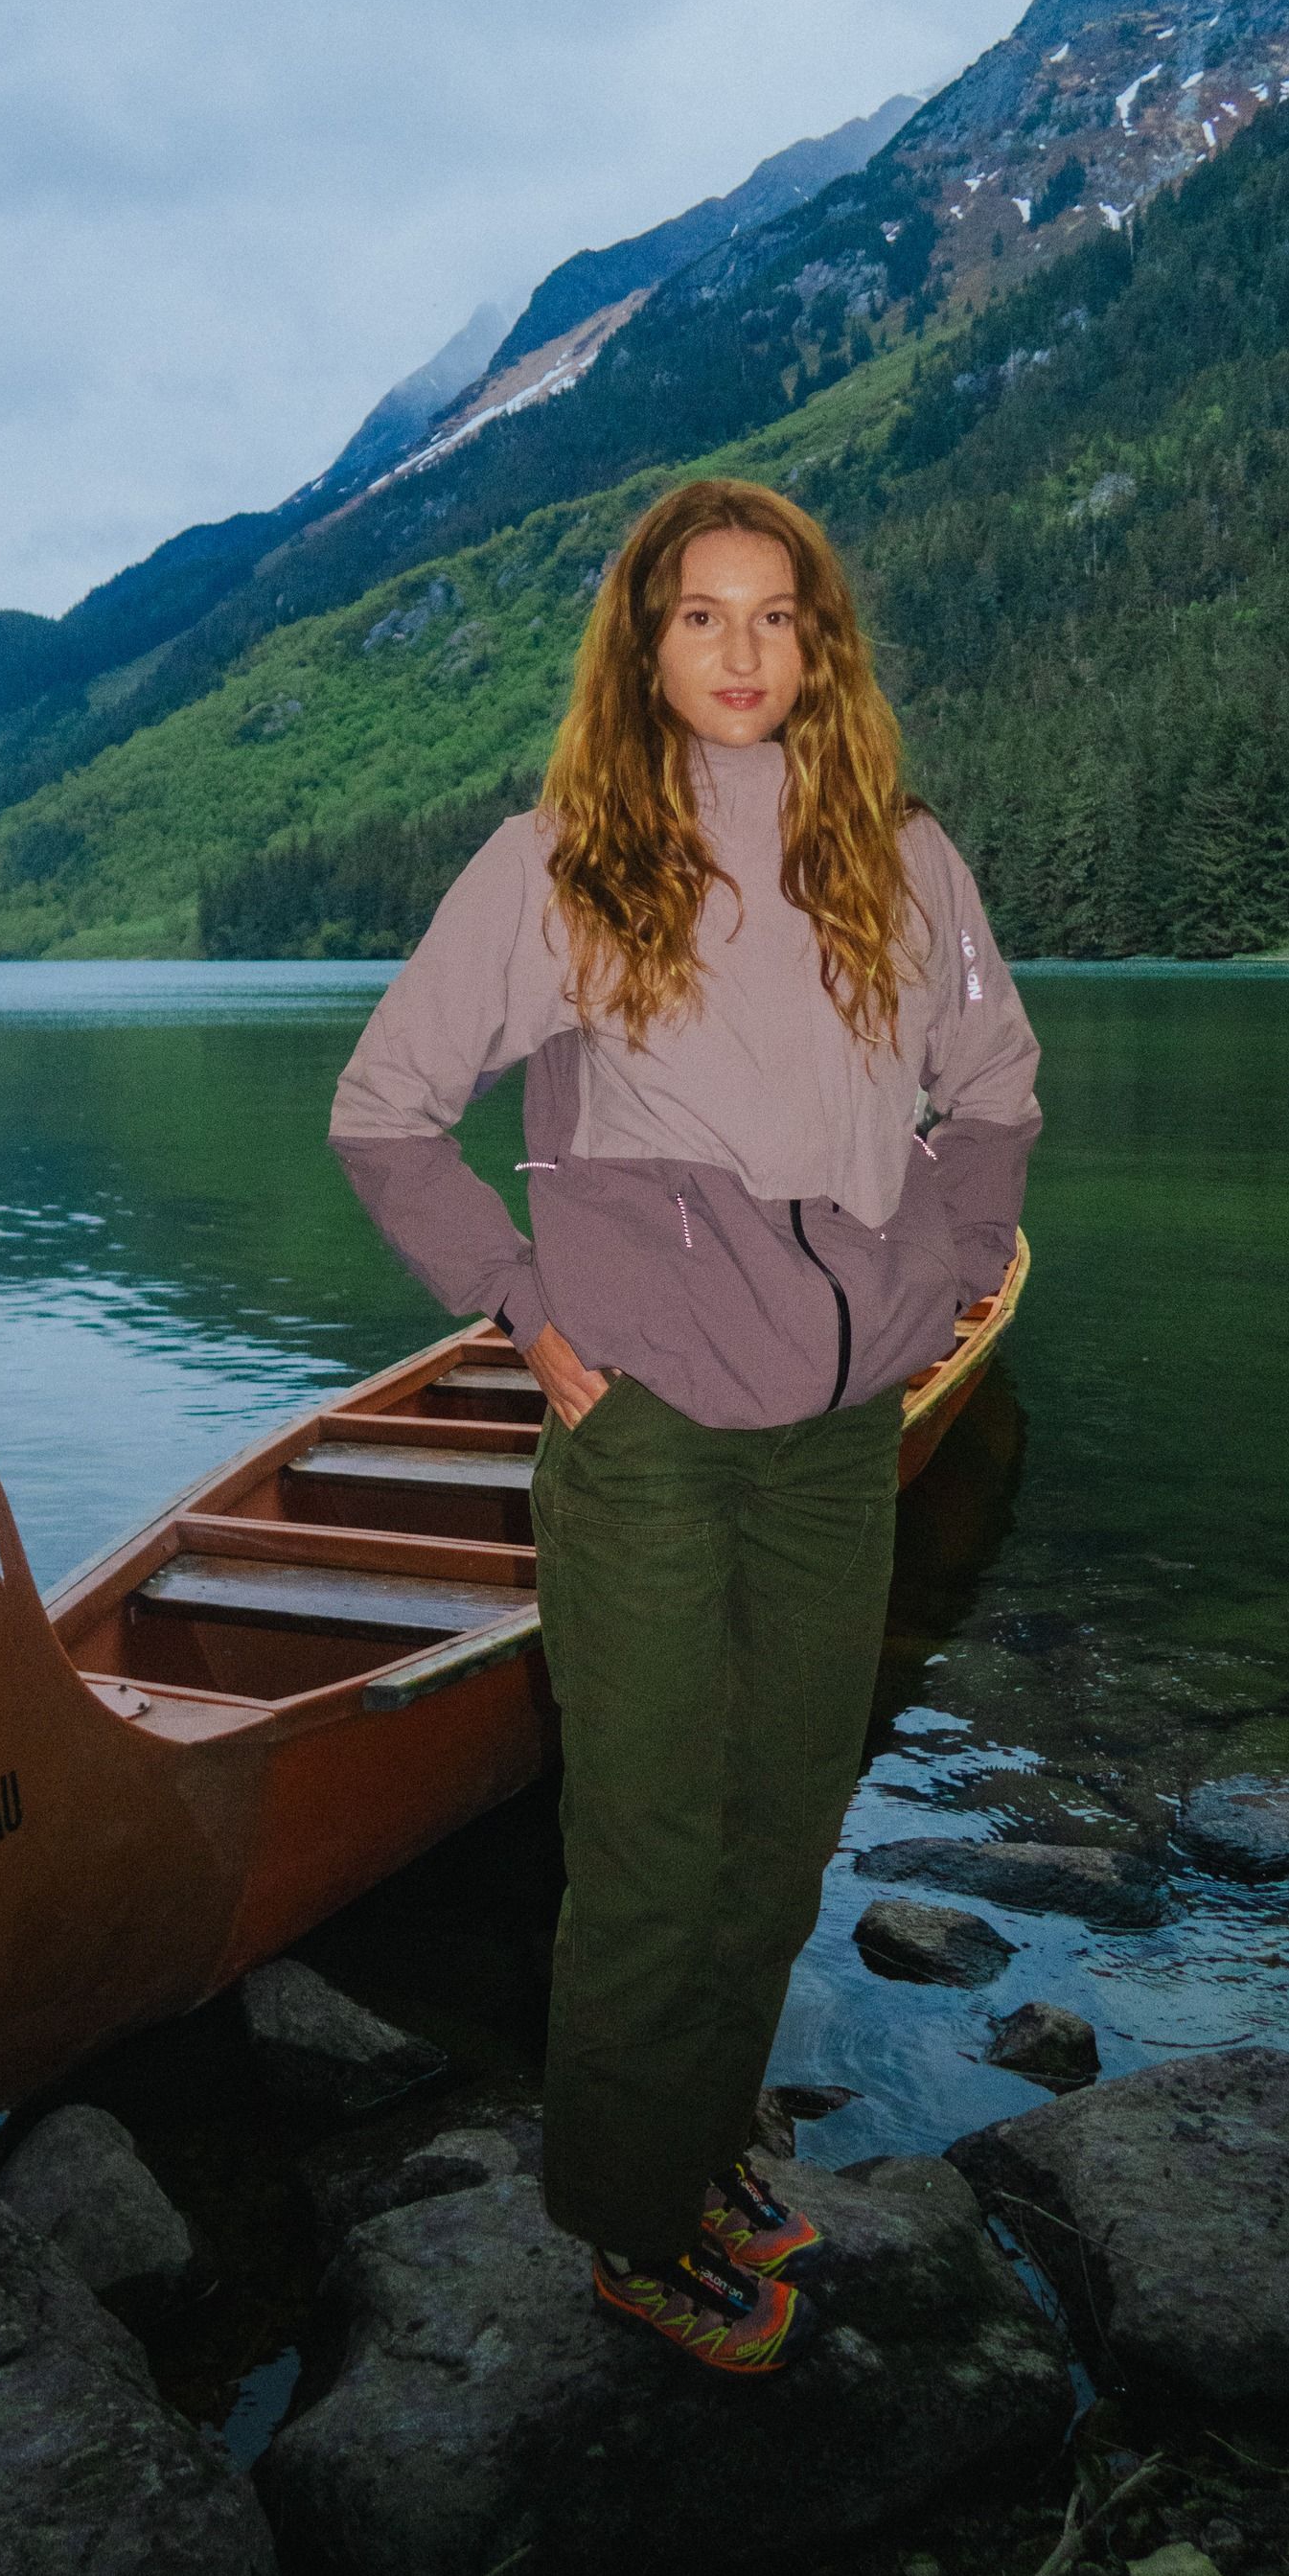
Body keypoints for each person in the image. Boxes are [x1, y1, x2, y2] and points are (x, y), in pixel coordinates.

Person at [330, 477, 1040, 2375]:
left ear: (821, 644)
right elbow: (385, 1115)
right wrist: (524, 1298)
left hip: (835, 1437)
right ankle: (627, 2230)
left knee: (784, 1824)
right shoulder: (557, 864)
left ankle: (700, 2132)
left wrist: (957, 1266)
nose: (739, 652)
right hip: (645, 1436)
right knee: (651, 1850)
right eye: (698, 617)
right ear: (640, 648)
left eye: (773, 615)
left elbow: (991, 1083)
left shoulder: (905, 859)